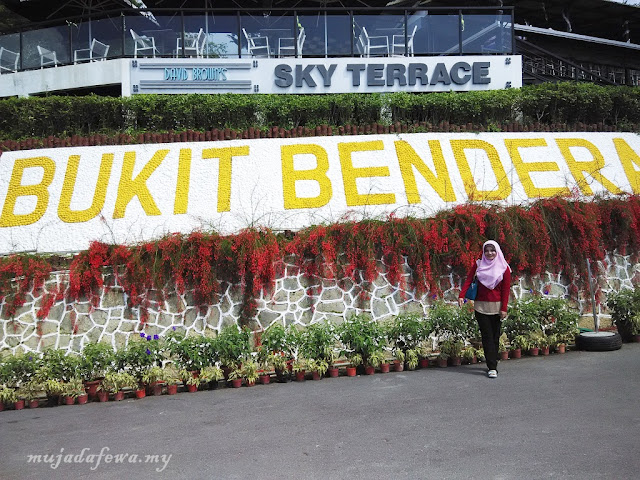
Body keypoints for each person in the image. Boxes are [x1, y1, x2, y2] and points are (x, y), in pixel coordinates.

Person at [458, 240, 512, 379]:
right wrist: (461, 295)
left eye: (492, 250)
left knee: (495, 336)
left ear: (497, 251)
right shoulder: (478, 265)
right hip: (481, 306)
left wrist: (504, 308)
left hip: (497, 306)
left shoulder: (504, 268)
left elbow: (506, 290)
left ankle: (493, 359)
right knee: (487, 336)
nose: (489, 253)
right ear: (483, 251)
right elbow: (469, 280)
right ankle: (492, 367)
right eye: (487, 250)